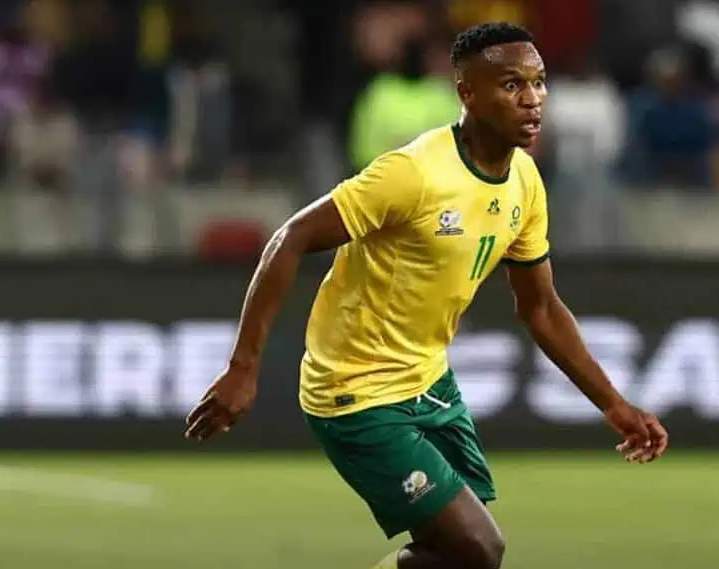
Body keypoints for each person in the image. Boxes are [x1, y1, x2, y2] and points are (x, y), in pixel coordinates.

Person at [183, 22, 669, 569]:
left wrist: (613, 403)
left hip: (428, 382)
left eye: (538, 82)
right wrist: (243, 367)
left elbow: (541, 308)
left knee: (459, 558)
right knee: (479, 548)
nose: (532, 98)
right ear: (467, 93)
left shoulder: (525, 183)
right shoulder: (413, 174)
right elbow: (289, 238)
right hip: (355, 390)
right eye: (512, 84)